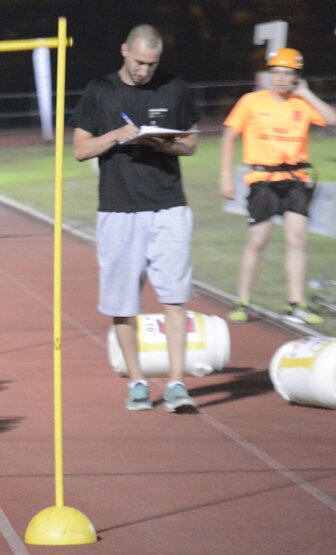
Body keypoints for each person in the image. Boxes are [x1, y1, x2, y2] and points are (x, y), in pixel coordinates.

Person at [71, 24, 200, 413]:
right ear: (124, 50)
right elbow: (80, 149)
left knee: (175, 298)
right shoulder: (100, 91)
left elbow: (192, 143)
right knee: (122, 303)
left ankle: (177, 382)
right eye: (139, 61)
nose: (144, 70)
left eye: (152, 63)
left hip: (169, 206)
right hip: (118, 209)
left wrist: (165, 142)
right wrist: (117, 136)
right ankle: (137, 381)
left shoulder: (173, 87)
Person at [219, 47, 336, 326]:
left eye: (287, 74)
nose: (281, 78)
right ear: (269, 74)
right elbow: (229, 134)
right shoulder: (251, 101)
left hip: (295, 181)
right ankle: (243, 300)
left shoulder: (301, 103)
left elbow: (331, 120)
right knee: (257, 241)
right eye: (277, 73)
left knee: (297, 240)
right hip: (262, 180)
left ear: (296, 77)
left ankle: (295, 303)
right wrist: (225, 175)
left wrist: (307, 94)